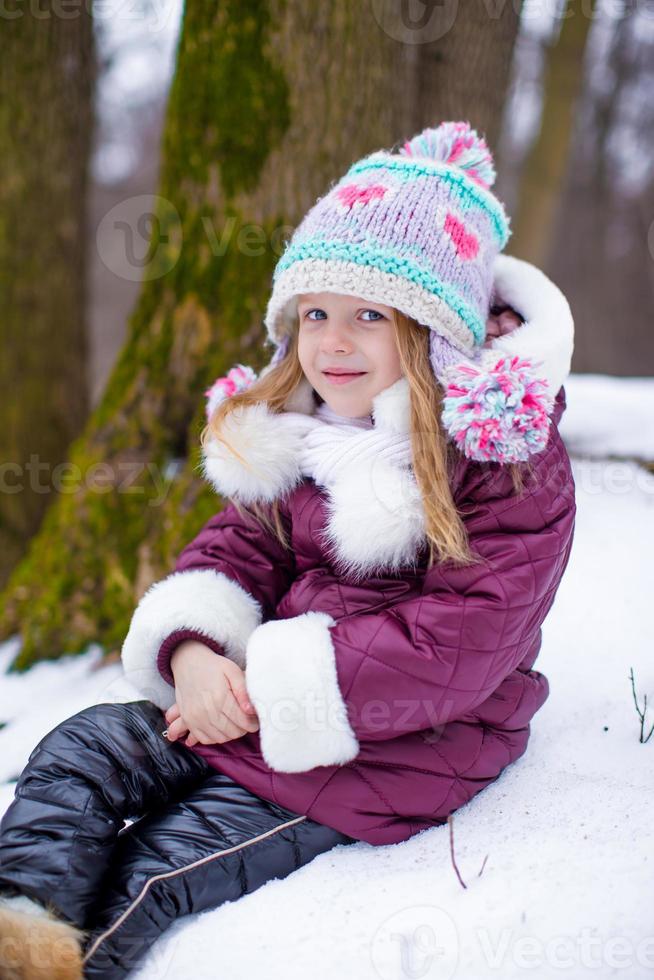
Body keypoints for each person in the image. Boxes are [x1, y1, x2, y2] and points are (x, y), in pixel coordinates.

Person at [0, 120, 576, 979]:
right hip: (249, 704)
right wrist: (194, 652)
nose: (333, 342)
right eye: (315, 314)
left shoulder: (502, 463)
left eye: (369, 317)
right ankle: (19, 927)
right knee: (79, 754)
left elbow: (462, 641)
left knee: (157, 868)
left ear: (433, 334)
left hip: (391, 749)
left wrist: (265, 689)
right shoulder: (307, 429)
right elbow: (236, 551)